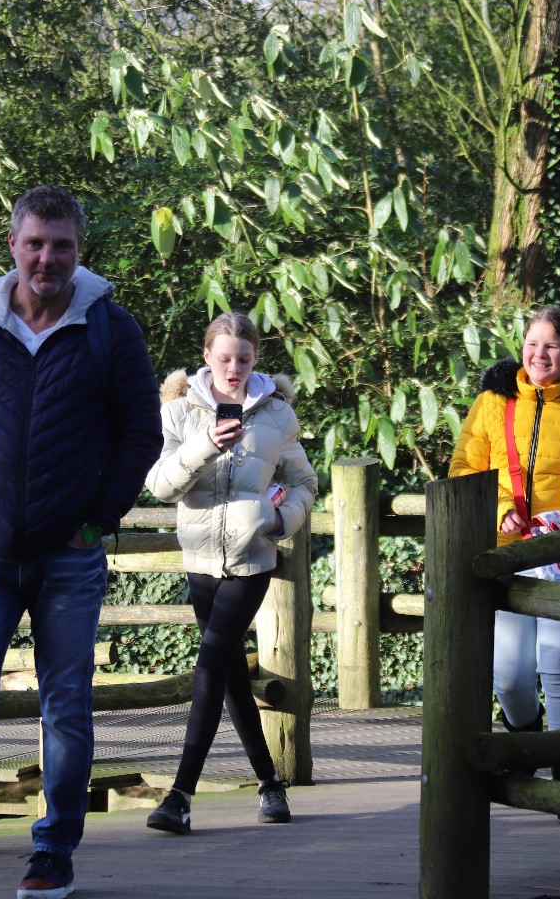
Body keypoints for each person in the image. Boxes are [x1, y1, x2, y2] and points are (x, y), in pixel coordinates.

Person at [0, 185, 162, 899]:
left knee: (66, 708)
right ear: (13, 246)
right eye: (35, 243)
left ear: (79, 251)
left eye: (61, 246)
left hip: (69, 556)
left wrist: (98, 519)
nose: (46, 258)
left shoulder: (111, 329)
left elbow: (140, 433)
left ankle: (52, 853)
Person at [142, 311, 318, 835]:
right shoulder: (178, 412)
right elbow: (160, 487)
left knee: (211, 660)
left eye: (243, 359)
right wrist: (205, 446)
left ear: (256, 357)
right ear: (207, 357)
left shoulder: (276, 414)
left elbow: (304, 481)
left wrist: (279, 520)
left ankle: (179, 794)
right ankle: (270, 785)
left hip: (250, 558)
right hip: (199, 560)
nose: (234, 369)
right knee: (231, 674)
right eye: (224, 359)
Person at [448, 305, 560, 815]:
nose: (540, 354)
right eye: (532, 343)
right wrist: (500, 508)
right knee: (509, 675)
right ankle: (525, 746)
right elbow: (464, 468)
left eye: (552, 345)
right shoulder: (493, 402)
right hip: (504, 554)